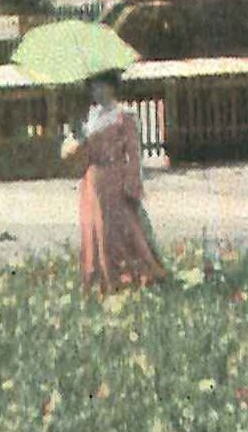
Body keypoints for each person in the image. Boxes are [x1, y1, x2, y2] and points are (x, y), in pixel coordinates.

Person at [63, 71, 170, 295]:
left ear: (113, 87)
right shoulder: (89, 118)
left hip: (115, 178)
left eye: (103, 86)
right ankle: (101, 277)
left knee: (121, 227)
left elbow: (133, 153)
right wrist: (79, 138)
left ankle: (132, 274)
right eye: (94, 87)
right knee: (95, 229)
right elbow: (77, 156)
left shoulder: (123, 115)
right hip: (92, 181)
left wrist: (132, 182)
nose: (98, 92)